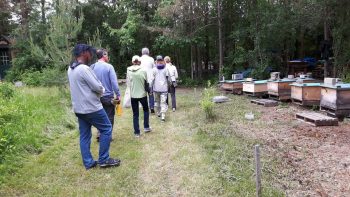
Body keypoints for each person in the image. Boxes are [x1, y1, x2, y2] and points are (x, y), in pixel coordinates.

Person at [67, 44, 121, 169]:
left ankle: (88, 162)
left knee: (85, 135)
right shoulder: (84, 69)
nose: (91, 56)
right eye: (90, 53)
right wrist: (102, 89)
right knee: (106, 129)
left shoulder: (71, 69)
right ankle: (104, 159)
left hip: (79, 109)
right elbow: (98, 87)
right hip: (91, 108)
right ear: (84, 53)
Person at [91, 48, 121, 142]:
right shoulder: (109, 67)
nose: (108, 57)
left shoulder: (92, 67)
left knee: (100, 116)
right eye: (107, 55)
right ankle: (107, 136)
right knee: (109, 116)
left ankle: (100, 133)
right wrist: (118, 94)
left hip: (96, 96)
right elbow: (114, 82)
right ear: (103, 56)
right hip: (107, 96)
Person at [127, 55, 151, 138]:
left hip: (133, 95)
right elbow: (146, 82)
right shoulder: (143, 70)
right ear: (139, 62)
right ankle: (146, 127)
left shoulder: (128, 70)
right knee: (145, 110)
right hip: (142, 94)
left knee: (135, 114)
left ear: (132, 62)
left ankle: (137, 132)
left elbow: (128, 83)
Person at [151, 55, 170, 122]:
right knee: (163, 102)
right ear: (162, 61)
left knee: (157, 102)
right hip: (164, 89)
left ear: (156, 61)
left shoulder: (154, 69)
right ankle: (163, 116)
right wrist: (168, 86)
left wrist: (151, 88)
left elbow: (152, 80)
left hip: (156, 89)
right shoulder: (166, 69)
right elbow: (168, 79)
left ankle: (159, 113)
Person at [140, 47, 155, 113]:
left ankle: (145, 107)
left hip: (142, 79)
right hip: (150, 79)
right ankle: (151, 107)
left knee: (143, 94)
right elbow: (154, 68)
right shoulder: (151, 59)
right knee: (151, 94)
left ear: (142, 53)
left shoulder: (139, 59)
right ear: (148, 52)